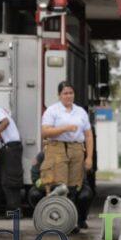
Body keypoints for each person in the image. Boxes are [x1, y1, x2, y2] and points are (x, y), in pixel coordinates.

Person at [40, 82, 93, 214]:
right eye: (65, 93)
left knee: (74, 187)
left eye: (71, 93)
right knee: (59, 186)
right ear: (59, 95)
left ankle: (72, 219)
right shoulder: (52, 110)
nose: (68, 96)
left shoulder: (80, 112)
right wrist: (65, 128)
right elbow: (45, 132)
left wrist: (89, 157)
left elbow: (88, 136)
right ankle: (56, 219)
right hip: (57, 148)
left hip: (76, 149)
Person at [27, 150, 94, 230]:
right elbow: (35, 178)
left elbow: (81, 180)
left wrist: (69, 189)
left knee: (85, 195)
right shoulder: (43, 155)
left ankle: (79, 219)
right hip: (48, 188)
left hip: (71, 188)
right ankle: (44, 219)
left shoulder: (74, 153)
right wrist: (50, 187)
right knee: (34, 194)